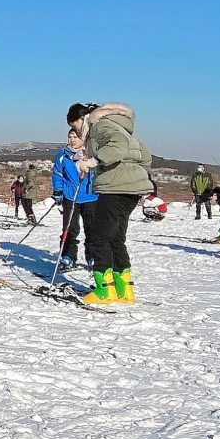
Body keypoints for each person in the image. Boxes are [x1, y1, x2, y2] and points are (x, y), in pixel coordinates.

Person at [67, 102, 153, 305]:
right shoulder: (122, 126)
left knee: (99, 238)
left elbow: (117, 147)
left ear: (82, 119)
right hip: (130, 189)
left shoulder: (100, 125)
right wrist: (137, 175)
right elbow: (145, 154)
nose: (78, 132)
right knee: (115, 239)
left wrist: (93, 162)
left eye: (76, 127)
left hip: (116, 187)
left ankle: (103, 291)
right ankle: (124, 290)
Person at [50, 129, 96, 268]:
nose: (72, 140)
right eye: (70, 137)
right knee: (70, 228)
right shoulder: (63, 155)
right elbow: (57, 173)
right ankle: (68, 256)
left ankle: (94, 256)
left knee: (92, 228)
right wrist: (58, 190)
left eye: (76, 137)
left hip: (91, 197)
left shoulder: (92, 155)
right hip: (70, 196)